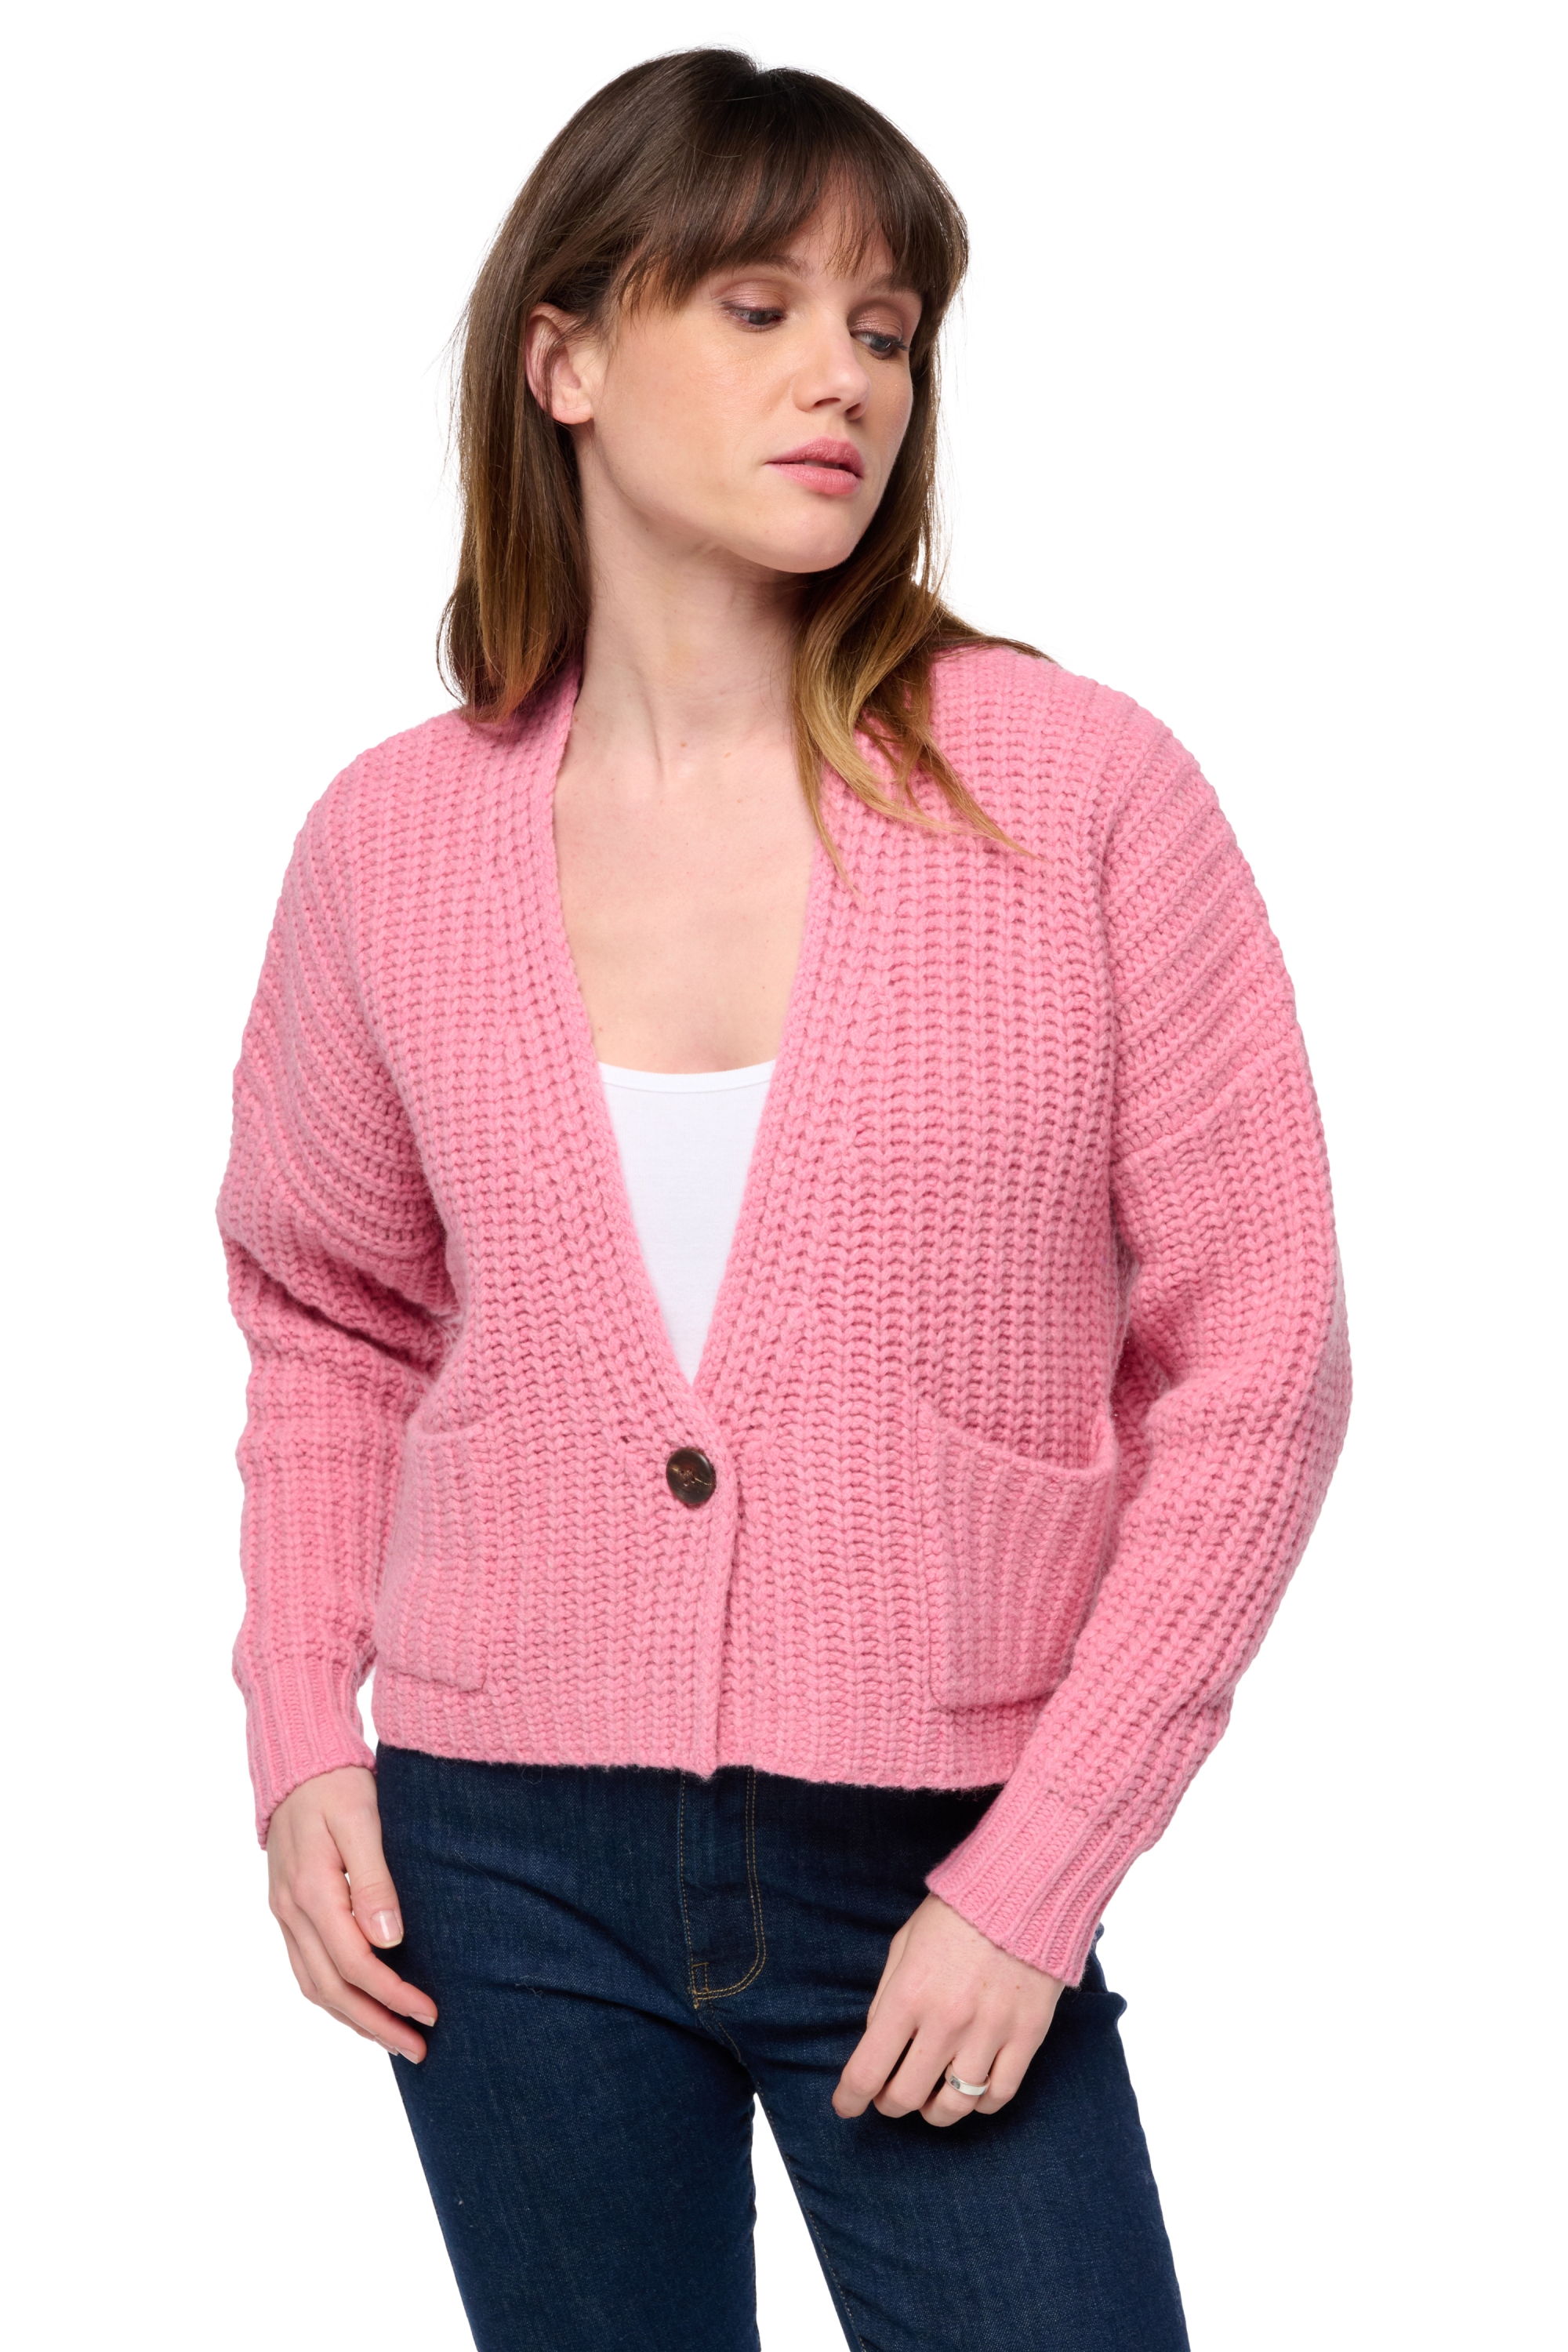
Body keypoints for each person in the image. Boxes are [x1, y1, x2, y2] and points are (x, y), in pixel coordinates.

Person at [216, 49, 1351, 2352]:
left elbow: (1260, 1363)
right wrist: (300, 1732)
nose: (845, 375)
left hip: (939, 1841)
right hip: (497, 1857)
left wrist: (1044, 1869)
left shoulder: (1076, 790)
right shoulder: (388, 843)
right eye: (757, 307)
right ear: (563, 358)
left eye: (887, 327)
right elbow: (331, 1315)